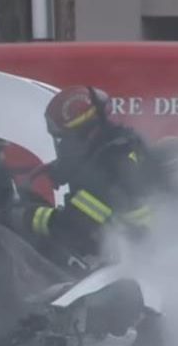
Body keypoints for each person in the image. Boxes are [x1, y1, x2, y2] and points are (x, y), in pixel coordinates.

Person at [11, 86, 156, 268]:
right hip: (133, 250)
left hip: (136, 259)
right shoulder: (121, 146)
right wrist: (67, 169)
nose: (62, 145)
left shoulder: (109, 167)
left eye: (63, 138)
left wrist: (24, 216)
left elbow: (72, 226)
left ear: (84, 133)